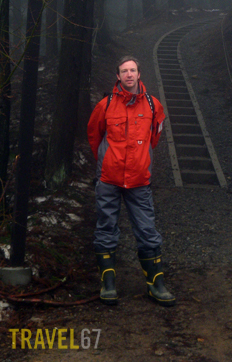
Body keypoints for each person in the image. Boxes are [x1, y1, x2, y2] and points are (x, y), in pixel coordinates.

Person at [87, 55, 175, 307]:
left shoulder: (153, 105)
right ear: (118, 76)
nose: (128, 74)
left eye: (132, 70)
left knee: (148, 232)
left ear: (139, 74)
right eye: (124, 71)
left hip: (139, 181)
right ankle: (108, 284)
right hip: (109, 179)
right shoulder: (104, 105)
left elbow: (154, 138)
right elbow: (95, 136)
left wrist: (140, 161)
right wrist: (107, 162)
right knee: (106, 229)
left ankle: (156, 285)